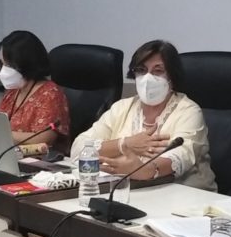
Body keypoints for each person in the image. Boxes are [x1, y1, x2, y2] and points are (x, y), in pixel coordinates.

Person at [71, 40, 216, 191]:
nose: (147, 78)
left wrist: (145, 170)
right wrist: (124, 144)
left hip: (183, 194)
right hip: (127, 191)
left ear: (172, 77)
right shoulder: (122, 107)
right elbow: (79, 148)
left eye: (158, 71)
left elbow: (182, 156)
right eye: (141, 70)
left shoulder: (188, 111)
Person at [0, 31, 70, 153]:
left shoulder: (50, 93)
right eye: (2, 64)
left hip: (40, 159)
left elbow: (46, 139)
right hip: (8, 154)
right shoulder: (12, 91)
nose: (4, 71)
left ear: (26, 63)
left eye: (9, 65)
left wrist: (2, 134)